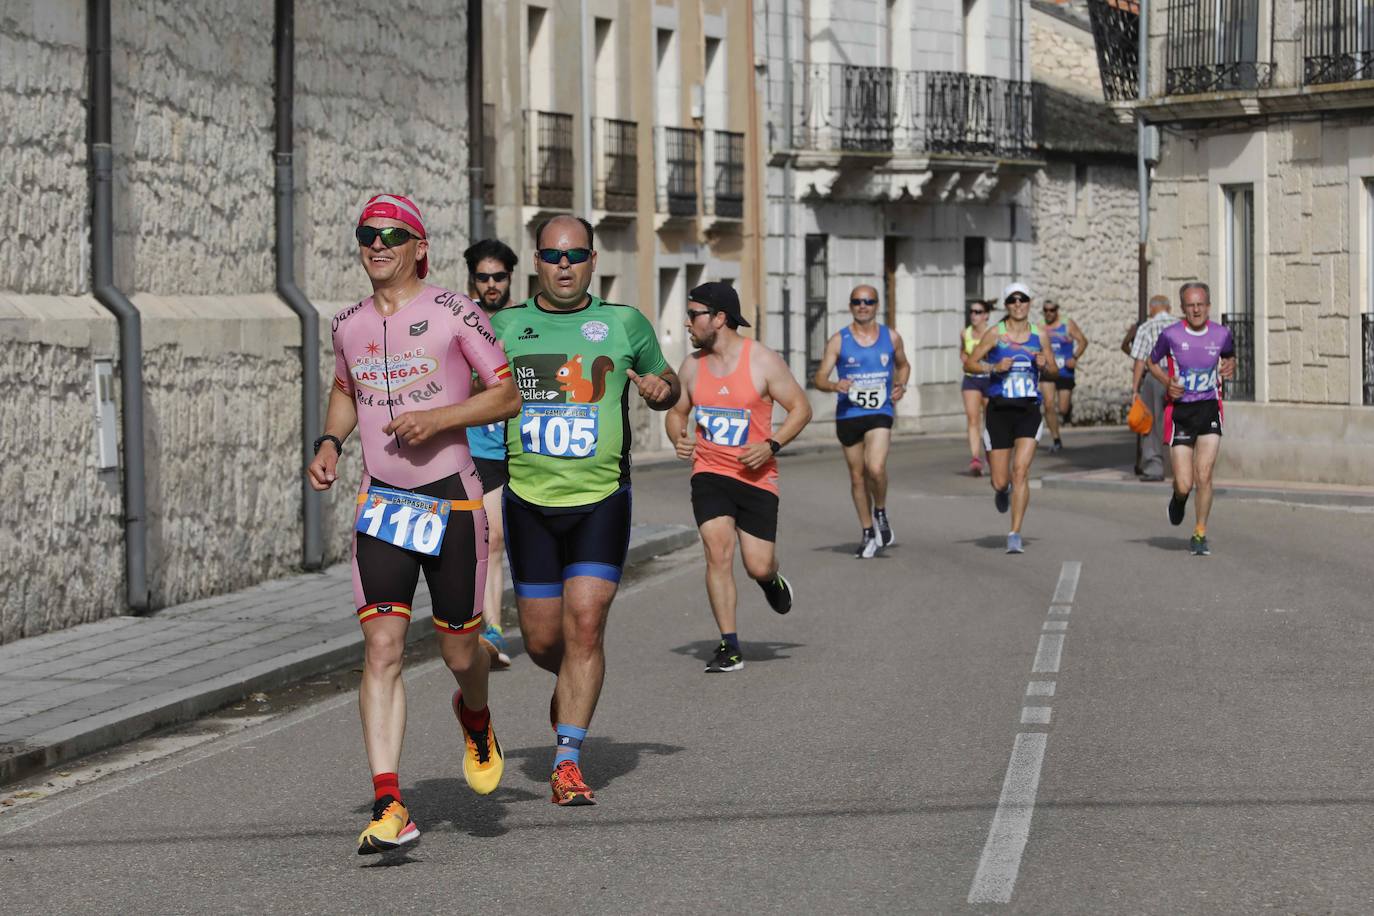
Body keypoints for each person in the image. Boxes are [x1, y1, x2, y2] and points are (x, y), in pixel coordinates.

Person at [306, 194, 520, 854]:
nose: (377, 244)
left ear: (419, 247)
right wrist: (330, 443)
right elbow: (346, 389)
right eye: (366, 234)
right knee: (382, 651)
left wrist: (441, 418)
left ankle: (475, 715)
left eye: (391, 235)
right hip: (384, 506)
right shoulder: (347, 324)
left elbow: (506, 393)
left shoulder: (456, 311)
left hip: (452, 501)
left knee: (460, 650)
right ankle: (390, 800)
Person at [491, 214, 680, 805]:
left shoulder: (624, 324)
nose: (564, 266)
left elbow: (668, 381)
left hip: (601, 500)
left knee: (586, 625)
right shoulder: (502, 326)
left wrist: (662, 390)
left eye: (576, 256)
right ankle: (574, 682)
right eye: (553, 256)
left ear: (594, 261)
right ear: (537, 263)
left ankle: (567, 758)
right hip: (528, 499)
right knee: (545, 643)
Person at [665, 283, 813, 673]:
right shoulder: (692, 366)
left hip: (756, 475)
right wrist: (677, 437)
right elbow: (677, 413)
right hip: (710, 473)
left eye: (694, 313)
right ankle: (729, 644)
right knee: (717, 551)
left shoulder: (762, 360)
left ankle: (771, 581)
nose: (687, 321)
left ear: (719, 318)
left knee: (758, 565)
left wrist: (772, 445)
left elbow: (800, 408)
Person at [812, 284, 912, 558]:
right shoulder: (839, 340)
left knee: (875, 467)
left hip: (880, 411)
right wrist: (834, 385)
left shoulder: (891, 337)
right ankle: (867, 531)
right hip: (849, 414)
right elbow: (819, 377)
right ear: (850, 306)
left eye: (868, 301)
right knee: (857, 477)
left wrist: (901, 385)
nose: (863, 306)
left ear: (877, 305)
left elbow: (904, 365)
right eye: (857, 301)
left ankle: (880, 511)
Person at [964, 282, 1058, 554]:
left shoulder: (1039, 334)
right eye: (1013, 300)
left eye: (1023, 299)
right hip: (999, 411)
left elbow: (1052, 371)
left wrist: (1044, 365)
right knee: (1000, 480)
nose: (1018, 304)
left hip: (1028, 410)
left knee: (1021, 472)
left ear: (1030, 303)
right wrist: (993, 366)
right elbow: (969, 363)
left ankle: (1015, 532)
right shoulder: (995, 334)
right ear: (1006, 305)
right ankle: (1001, 490)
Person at [463, 238, 520, 667]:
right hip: (479, 445)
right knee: (492, 537)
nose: (491, 284)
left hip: (523, 445)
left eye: (498, 276)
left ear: (510, 278)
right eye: (483, 277)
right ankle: (494, 630)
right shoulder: (461, 320)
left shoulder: (524, 321)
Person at [1147, 281, 1236, 556]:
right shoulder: (1170, 335)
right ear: (1183, 308)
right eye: (1190, 305)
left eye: (1200, 304)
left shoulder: (1222, 334)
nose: (1196, 309)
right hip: (1181, 412)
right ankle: (1178, 498)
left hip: (1209, 408)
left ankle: (1199, 533)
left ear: (1208, 306)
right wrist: (1166, 382)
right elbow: (1152, 362)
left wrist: (1230, 366)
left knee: (1205, 475)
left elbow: (1229, 358)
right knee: (1185, 482)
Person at [1129, 294, 1176, 481]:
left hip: (1155, 376)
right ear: (1169, 308)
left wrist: (1134, 389)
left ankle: (1154, 468)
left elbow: (1140, 360)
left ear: (1151, 309)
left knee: (1152, 423)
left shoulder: (1146, 327)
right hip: (1177, 375)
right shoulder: (1180, 325)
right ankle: (1181, 465)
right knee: (1178, 421)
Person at [1038, 300, 1088, 454]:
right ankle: (1056, 439)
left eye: (1052, 310)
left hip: (1065, 370)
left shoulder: (1067, 324)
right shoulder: (1040, 326)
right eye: (1045, 310)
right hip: (1048, 370)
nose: (1048, 313)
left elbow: (1083, 342)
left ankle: (1067, 410)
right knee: (1048, 404)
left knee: (1063, 408)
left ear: (1057, 310)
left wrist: (1074, 357)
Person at [959, 299, 993, 476]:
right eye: (971, 312)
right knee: (973, 419)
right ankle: (975, 459)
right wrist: (964, 357)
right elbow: (963, 352)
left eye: (978, 312)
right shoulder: (965, 333)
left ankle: (990, 452)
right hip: (971, 379)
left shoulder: (993, 333)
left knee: (991, 421)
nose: (974, 315)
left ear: (986, 315)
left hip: (990, 379)